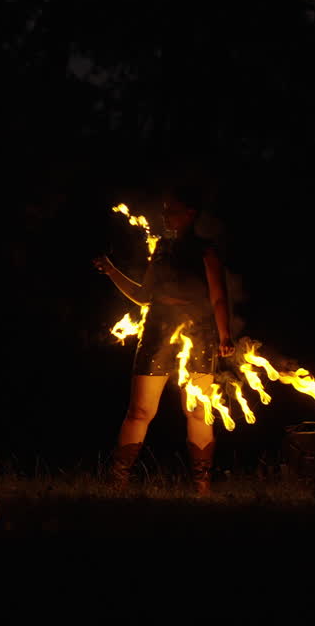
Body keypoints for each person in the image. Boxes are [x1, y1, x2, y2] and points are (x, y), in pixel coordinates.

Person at [94, 188, 234, 494]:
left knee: (198, 411)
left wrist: (224, 335)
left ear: (190, 213)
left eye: (172, 210)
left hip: (197, 335)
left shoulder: (205, 251)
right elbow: (144, 297)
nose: (165, 216)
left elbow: (218, 296)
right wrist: (112, 271)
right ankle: (118, 483)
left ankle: (203, 488)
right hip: (157, 334)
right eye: (164, 211)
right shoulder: (161, 250)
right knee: (140, 411)